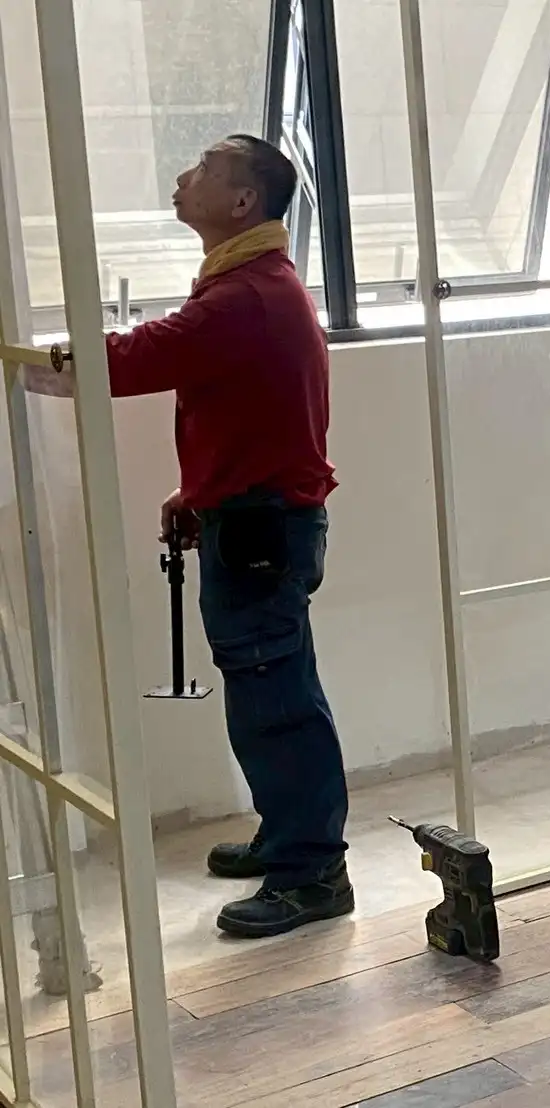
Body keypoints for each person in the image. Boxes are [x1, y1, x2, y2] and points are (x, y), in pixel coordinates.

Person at [104, 135, 352, 938]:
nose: (185, 178)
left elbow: (141, 358)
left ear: (243, 202)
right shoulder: (252, 284)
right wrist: (200, 493)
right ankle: (290, 839)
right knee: (268, 690)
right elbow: (258, 414)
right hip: (254, 518)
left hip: (260, 528)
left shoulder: (245, 296)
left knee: (276, 700)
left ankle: (311, 873)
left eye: (205, 170)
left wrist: (48, 362)